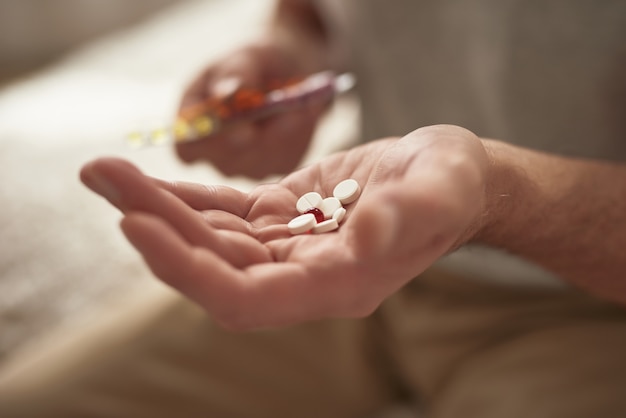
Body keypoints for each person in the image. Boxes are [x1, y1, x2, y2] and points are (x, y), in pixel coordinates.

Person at [2, 0, 626, 417]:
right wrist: (291, 52)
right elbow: (318, 13)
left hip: (587, 307)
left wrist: (496, 194)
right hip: (358, 255)